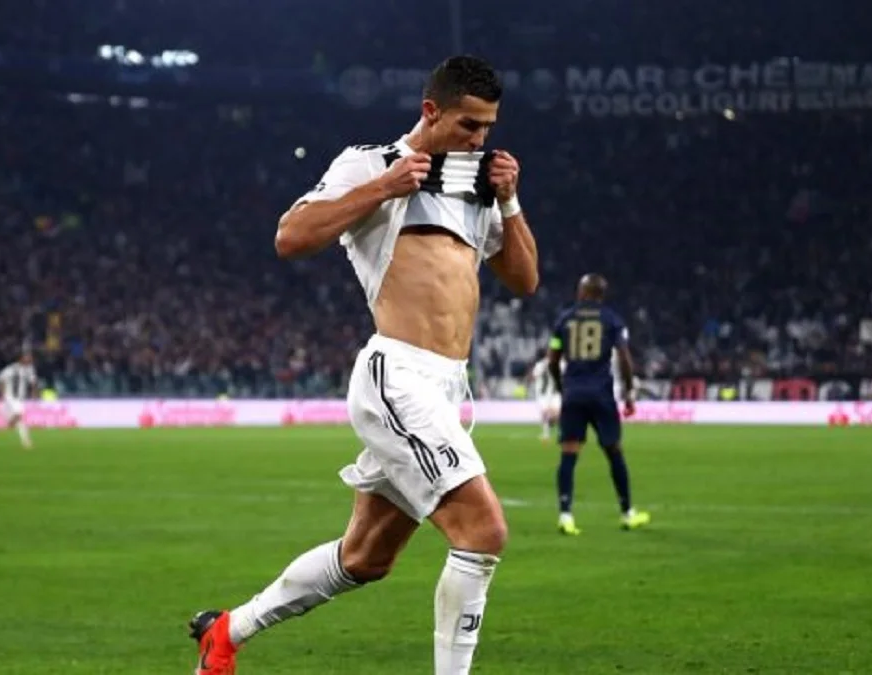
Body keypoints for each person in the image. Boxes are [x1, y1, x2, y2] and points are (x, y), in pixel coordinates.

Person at [189, 55, 539, 675]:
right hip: (397, 376)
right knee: (482, 533)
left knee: (366, 558)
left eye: (488, 126)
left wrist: (509, 204)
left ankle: (227, 631)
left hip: (447, 386)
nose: (479, 138)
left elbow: (524, 279)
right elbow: (290, 237)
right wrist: (384, 188)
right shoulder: (371, 163)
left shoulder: (476, 184)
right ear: (431, 111)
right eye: (468, 124)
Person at [547, 274, 649, 535]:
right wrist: (629, 391)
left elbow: (552, 359)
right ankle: (627, 513)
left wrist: (561, 387)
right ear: (601, 295)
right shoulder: (611, 320)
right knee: (614, 451)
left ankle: (565, 515)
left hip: (573, 393)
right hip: (601, 394)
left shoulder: (564, 319)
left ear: (582, 292)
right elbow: (624, 357)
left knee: (569, 453)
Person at [0, 352, 37, 450]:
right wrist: (2, 393)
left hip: (20, 397)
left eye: (30, 358)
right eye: (27, 358)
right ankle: (9, 424)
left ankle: (25, 441)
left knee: (20, 421)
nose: (29, 360)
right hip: (10, 396)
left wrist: (33, 392)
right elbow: (1, 379)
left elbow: (33, 382)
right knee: (19, 414)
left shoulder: (30, 369)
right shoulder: (11, 369)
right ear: (21, 358)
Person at [528, 350, 561, 441]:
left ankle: (557, 431)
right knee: (545, 413)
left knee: (556, 414)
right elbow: (533, 377)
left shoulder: (559, 363)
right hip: (543, 393)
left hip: (554, 392)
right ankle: (546, 434)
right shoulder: (540, 365)